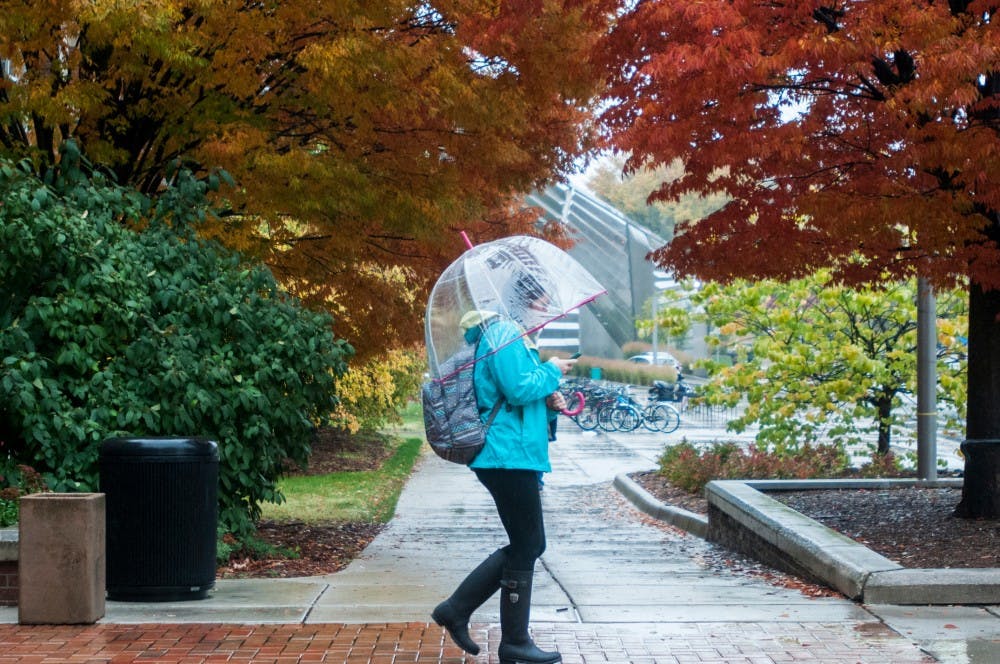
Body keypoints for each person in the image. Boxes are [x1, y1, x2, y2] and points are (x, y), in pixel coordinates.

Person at [432, 273, 574, 664]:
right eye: (543, 303)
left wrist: (548, 402)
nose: (545, 312)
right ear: (524, 300)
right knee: (529, 544)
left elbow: (519, 394)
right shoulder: (505, 333)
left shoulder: (509, 336)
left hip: (515, 455)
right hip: (505, 456)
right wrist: (553, 371)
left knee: (528, 544)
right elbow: (516, 388)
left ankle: (489, 627)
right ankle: (488, 627)